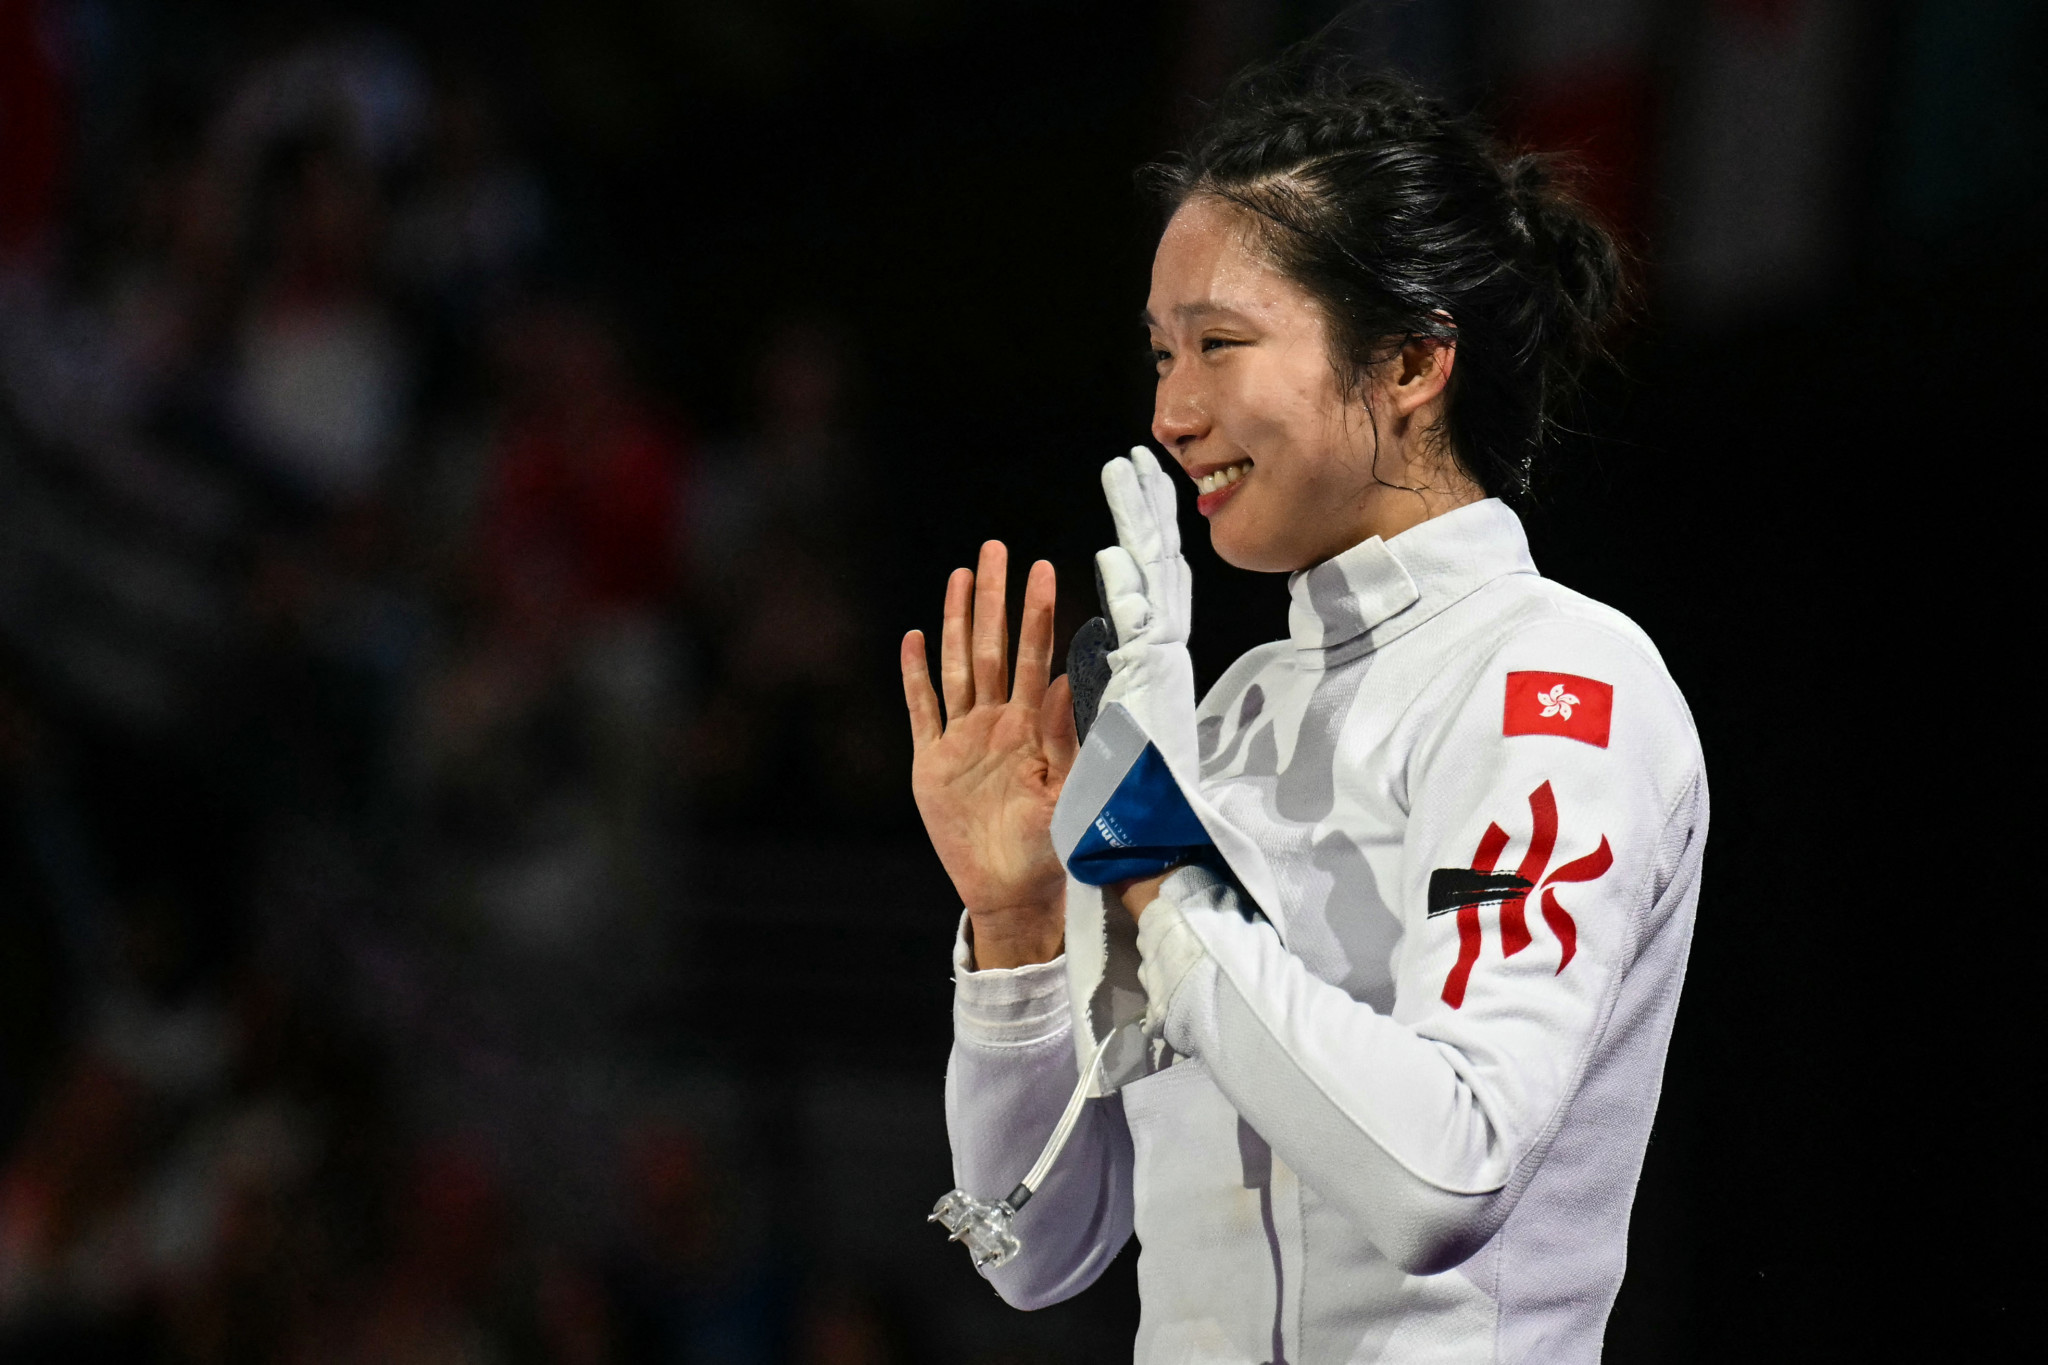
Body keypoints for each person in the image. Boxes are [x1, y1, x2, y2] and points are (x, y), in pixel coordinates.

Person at [898, 67, 1705, 1363]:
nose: (1171, 413)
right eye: (1161, 354)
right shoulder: (1224, 720)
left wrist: (1166, 870)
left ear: (1408, 359)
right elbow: (1039, 1247)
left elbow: (1448, 1175)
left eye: (1220, 344)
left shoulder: (1562, 684)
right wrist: (1018, 928)